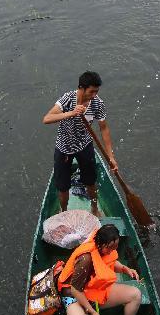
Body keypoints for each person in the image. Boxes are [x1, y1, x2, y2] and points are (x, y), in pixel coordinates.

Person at [43, 72, 118, 217]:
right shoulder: (68, 98)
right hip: (64, 148)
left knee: (91, 182)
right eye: (91, 92)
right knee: (63, 187)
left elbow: (104, 128)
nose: (94, 95)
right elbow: (47, 119)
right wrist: (70, 113)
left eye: (97, 91)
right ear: (81, 88)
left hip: (85, 145)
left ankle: (94, 208)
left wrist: (111, 156)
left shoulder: (97, 103)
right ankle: (64, 213)